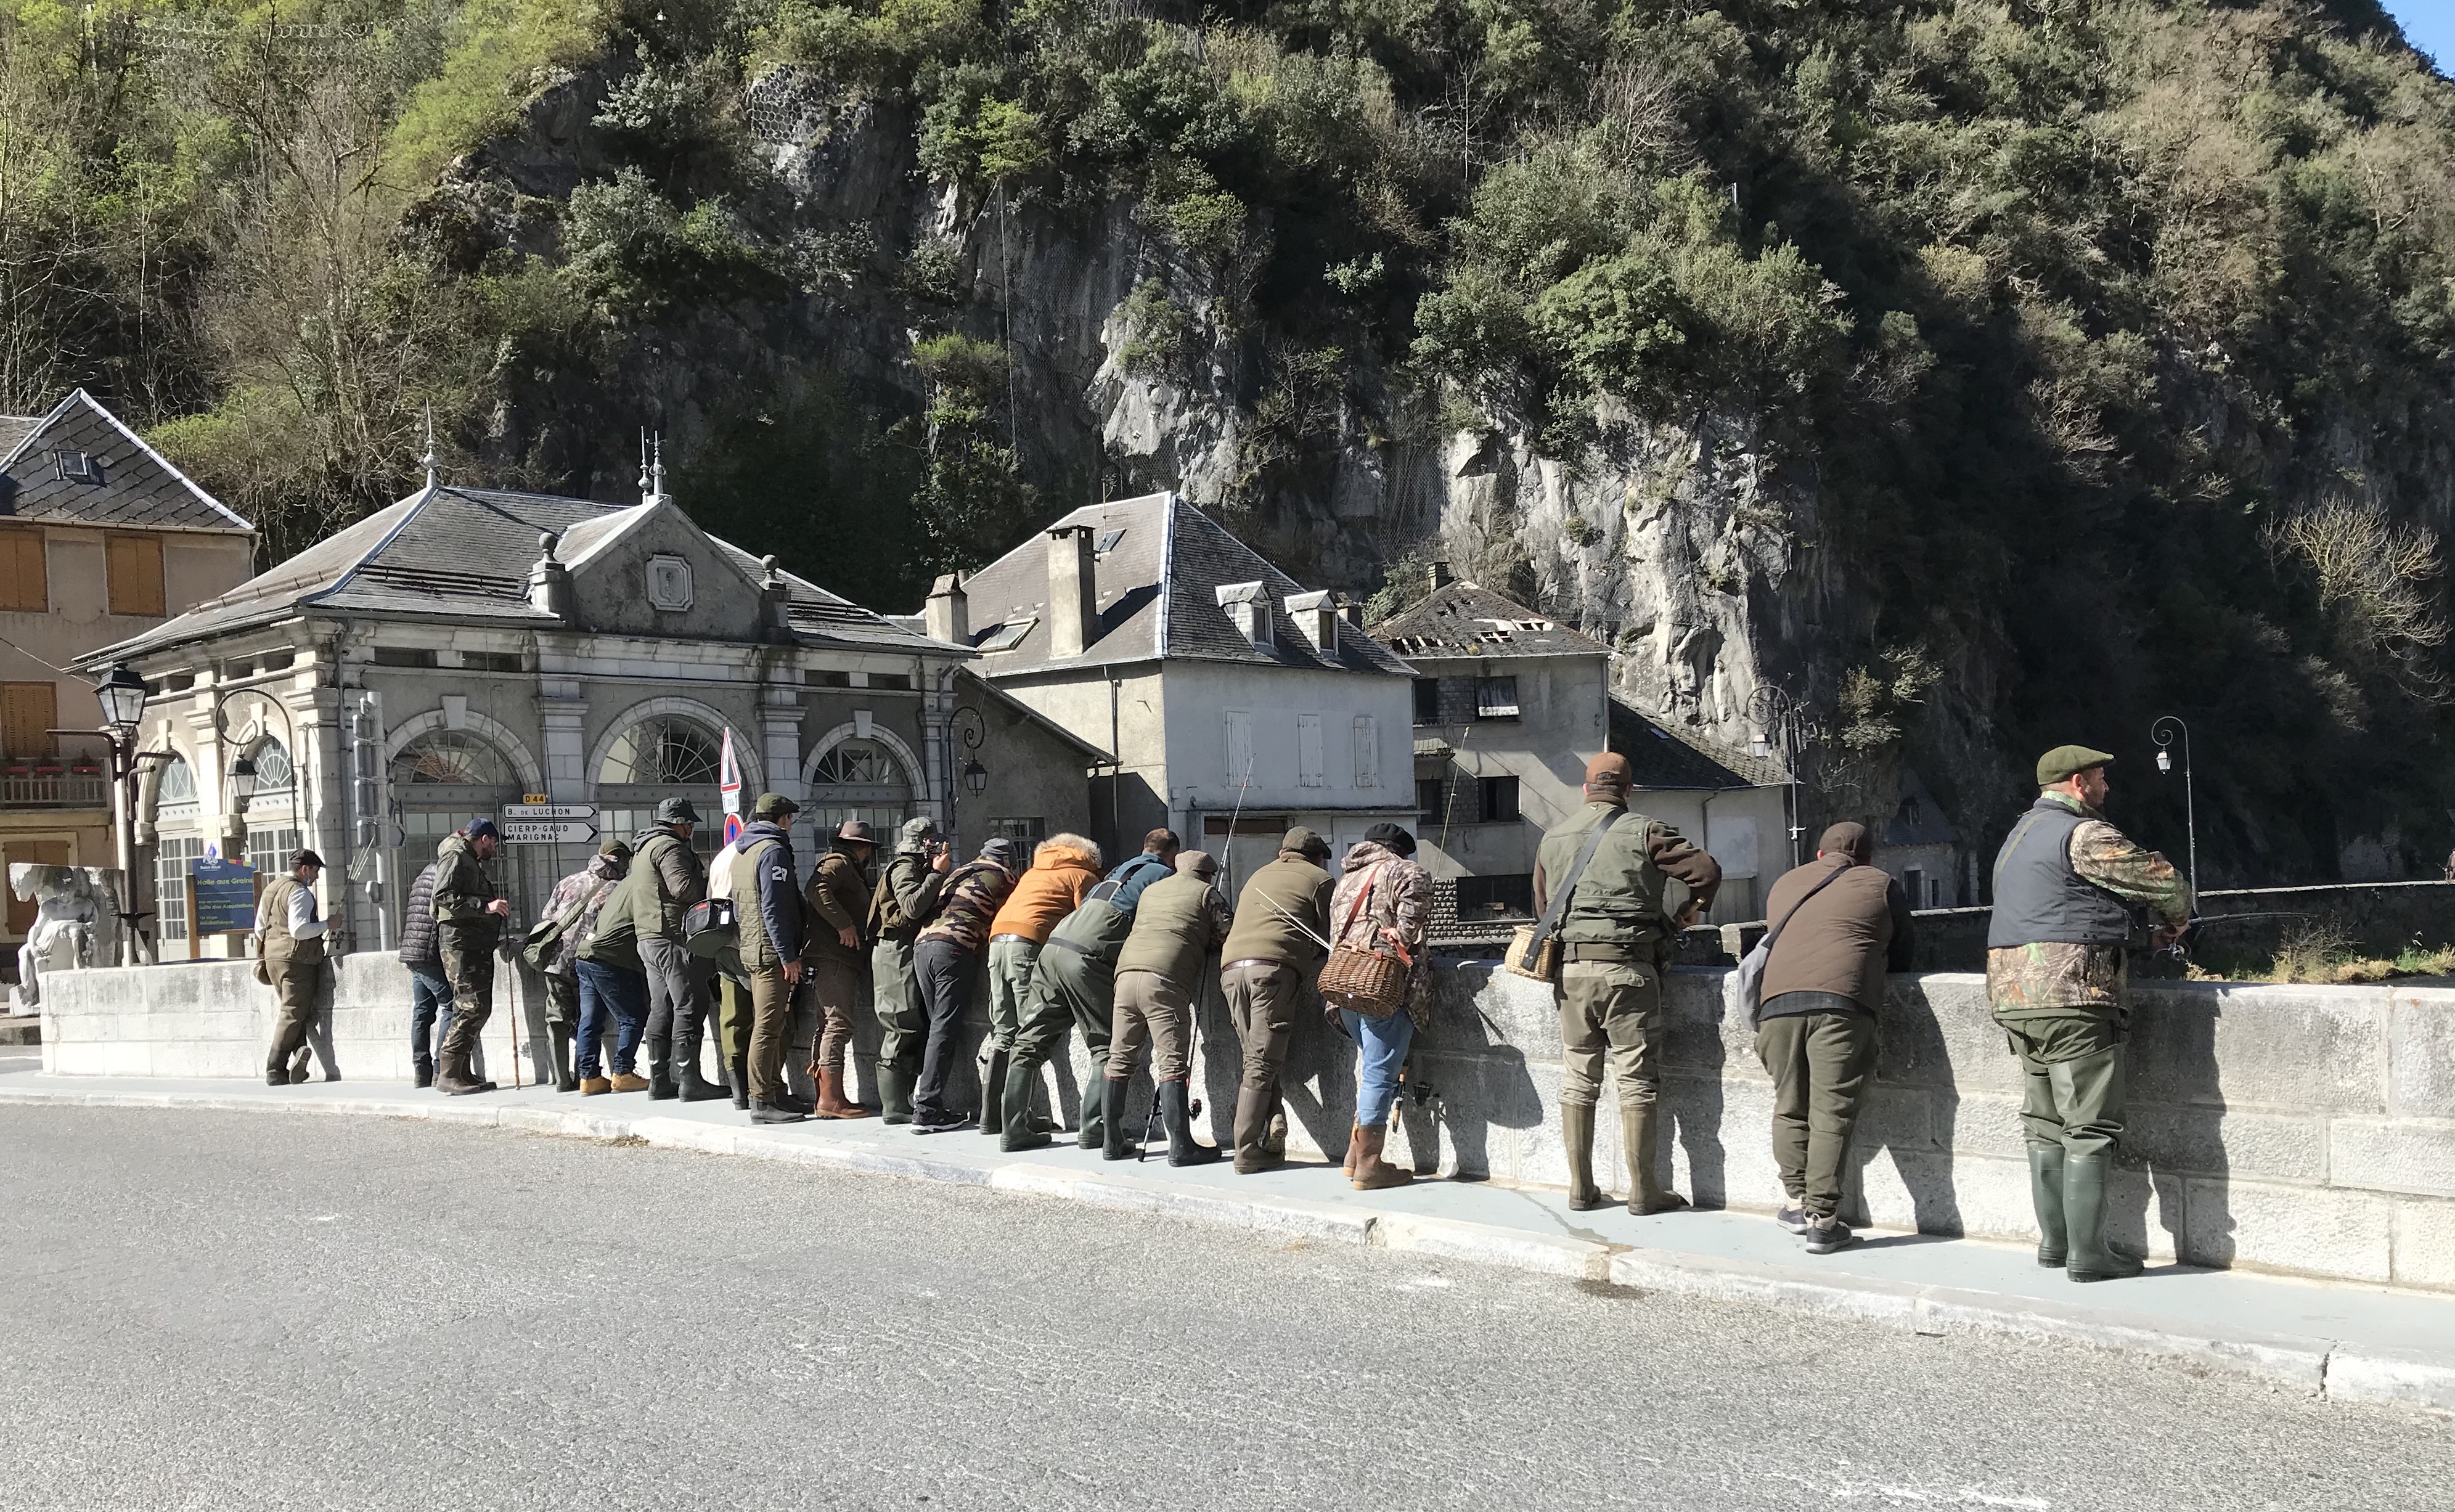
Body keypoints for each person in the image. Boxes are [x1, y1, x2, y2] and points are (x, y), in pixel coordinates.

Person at [1988, 745, 2192, 1282]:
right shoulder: (2082, 834)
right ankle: (2087, 1255)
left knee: (2043, 1125)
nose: (2106, 787)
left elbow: (2059, 907)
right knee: (2088, 1127)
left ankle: (2054, 1246)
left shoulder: (2015, 838)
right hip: (2073, 997)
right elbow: (2164, 881)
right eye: (2101, 778)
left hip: (2014, 998)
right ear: (2078, 783)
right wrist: (2175, 922)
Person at [1533, 752, 1722, 1214]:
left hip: (1572, 971)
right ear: (1628, 790)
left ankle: (1580, 1189)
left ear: (1585, 789)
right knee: (1635, 1081)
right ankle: (1644, 1191)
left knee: (1578, 1079)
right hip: (1629, 971)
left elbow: (1542, 909)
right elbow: (1706, 871)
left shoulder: (1552, 837)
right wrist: (1691, 907)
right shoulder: (1645, 830)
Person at [1754, 822, 1914, 1254]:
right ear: (1866, 858)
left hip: (1775, 1006)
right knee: (1830, 1113)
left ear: (1820, 856)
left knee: (1789, 1106)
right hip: (1841, 1004)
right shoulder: (1880, 883)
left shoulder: (1785, 883)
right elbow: (1903, 948)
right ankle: (1821, 1220)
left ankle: (1793, 1202)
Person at [999, 840, 1175, 1154]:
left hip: (1053, 949)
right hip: (1086, 958)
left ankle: (1013, 1131)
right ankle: (1095, 1130)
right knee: (1107, 1047)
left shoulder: (1116, 873)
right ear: (1171, 854)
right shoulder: (1161, 875)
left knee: (1028, 1043)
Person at [1218, 827, 1337, 1173]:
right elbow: (1332, 934)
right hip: (1271, 972)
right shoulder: (1319, 879)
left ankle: (1273, 1125)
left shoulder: (1258, 874)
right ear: (1317, 857)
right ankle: (1246, 1153)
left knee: (1255, 1057)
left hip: (1230, 971)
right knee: (1261, 1063)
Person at [1326, 824, 1434, 1191]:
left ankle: (1353, 1158)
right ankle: (1371, 1164)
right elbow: (1413, 912)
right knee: (1379, 1075)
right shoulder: (1403, 871)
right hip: (1383, 986)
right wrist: (1402, 937)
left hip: (1345, 987)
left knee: (1370, 1068)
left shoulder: (1346, 880)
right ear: (1399, 851)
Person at [1109, 848, 1232, 1165]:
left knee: (1120, 1058)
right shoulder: (1207, 893)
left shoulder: (1152, 890)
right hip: (1164, 978)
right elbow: (1226, 933)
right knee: (1171, 1063)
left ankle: (1112, 1141)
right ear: (1206, 874)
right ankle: (1181, 1147)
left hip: (1125, 975)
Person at [979, 833, 1104, 1138]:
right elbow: (1084, 924)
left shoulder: (1035, 872)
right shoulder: (1082, 875)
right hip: (1029, 943)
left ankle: (992, 1117)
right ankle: (1018, 1122)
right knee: (1029, 1033)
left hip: (998, 941)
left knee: (1004, 1031)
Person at [910, 837, 1025, 1132]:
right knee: (943, 1029)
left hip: (923, 947)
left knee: (936, 1025)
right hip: (954, 949)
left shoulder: (958, 873)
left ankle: (921, 1097)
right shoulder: (1004, 878)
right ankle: (927, 1109)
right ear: (1008, 860)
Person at [627, 797, 725, 1103]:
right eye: (689, 823)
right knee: (689, 1004)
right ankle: (690, 1082)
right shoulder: (670, 847)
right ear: (680, 824)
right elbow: (682, 888)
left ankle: (660, 1082)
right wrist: (710, 886)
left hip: (648, 937)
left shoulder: (643, 849)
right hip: (673, 938)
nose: (692, 828)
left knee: (662, 1007)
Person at [734, 793, 816, 1124]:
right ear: (783, 819)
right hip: (771, 953)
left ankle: (773, 1089)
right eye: (790, 818)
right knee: (767, 1028)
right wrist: (788, 955)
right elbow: (774, 908)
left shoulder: (744, 852)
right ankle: (762, 1101)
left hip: (754, 948)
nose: (792, 824)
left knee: (773, 1025)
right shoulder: (773, 852)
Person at [530, 840, 632, 1093]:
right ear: (621, 861)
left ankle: (562, 1081)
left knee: (557, 1019)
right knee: (589, 1018)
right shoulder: (618, 890)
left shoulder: (569, 881)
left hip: (554, 960)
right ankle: (586, 1075)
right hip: (589, 961)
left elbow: (547, 915)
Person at [868, 817, 951, 1123]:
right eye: (931, 841)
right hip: (894, 950)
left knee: (914, 1021)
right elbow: (912, 907)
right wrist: (938, 875)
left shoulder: (916, 867)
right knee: (900, 1021)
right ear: (922, 843)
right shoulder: (904, 868)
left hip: (904, 948)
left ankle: (901, 1102)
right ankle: (894, 1108)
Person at [801, 819, 878, 1119]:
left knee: (827, 1024)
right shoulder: (839, 863)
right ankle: (830, 1099)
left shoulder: (844, 864)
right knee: (838, 1023)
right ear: (863, 848)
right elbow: (815, 889)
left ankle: (826, 1096)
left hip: (832, 955)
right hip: (834, 956)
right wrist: (844, 925)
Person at [433, 819, 514, 1097]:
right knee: (472, 1007)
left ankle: (460, 1071)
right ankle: (448, 1073)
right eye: (493, 842)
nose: (495, 848)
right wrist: (486, 906)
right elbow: (443, 895)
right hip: (460, 943)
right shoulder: (455, 857)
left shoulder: (467, 858)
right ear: (482, 838)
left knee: (472, 1007)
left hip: (473, 942)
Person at [574, 844, 655, 1095]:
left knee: (590, 1020)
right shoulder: (640, 885)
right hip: (609, 959)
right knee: (632, 1017)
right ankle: (623, 1073)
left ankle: (588, 1078)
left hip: (584, 953)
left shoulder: (622, 884)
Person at [257, 849, 328, 1087]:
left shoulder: (271, 888)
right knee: (292, 1013)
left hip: (271, 958)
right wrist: (328, 924)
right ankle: (275, 1069)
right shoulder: (300, 893)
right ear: (305, 869)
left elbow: (258, 927)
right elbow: (299, 930)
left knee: (294, 1012)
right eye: (316, 871)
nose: (316, 878)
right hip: (296, 960)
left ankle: (299, 1053)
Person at [400, 857, 451, 1089]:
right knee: (451, 1006)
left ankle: (421, 1071)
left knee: (422, 1012)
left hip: (411, 952)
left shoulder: (422, 876)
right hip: (428, 952)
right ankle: (441, 1068)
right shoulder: (443, 876)